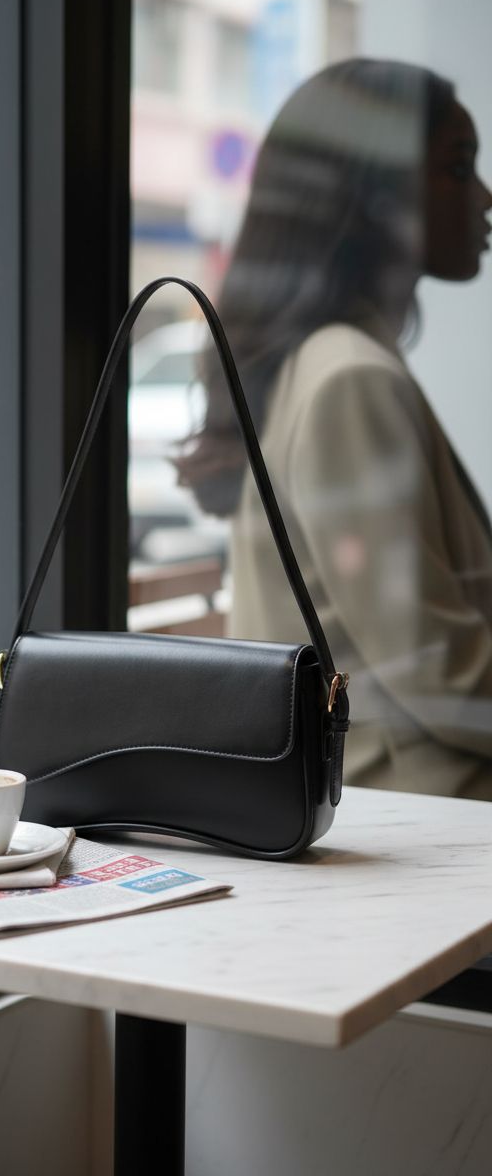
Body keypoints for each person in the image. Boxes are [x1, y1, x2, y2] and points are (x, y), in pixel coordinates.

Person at [179, 58, 492, 797]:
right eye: (457, 167)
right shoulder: (349, 377)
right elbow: (439, 672)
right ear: (376, 197)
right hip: (429, 818)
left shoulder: (320, 363)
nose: (484, 196)